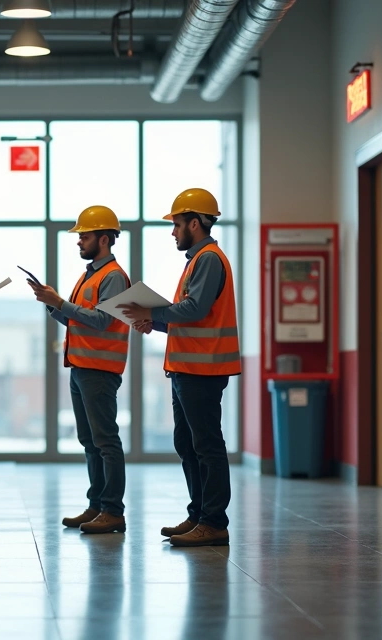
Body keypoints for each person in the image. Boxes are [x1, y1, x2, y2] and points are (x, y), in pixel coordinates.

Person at [119, 188, 240, 547]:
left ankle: (214, 521)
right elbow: (189, 315)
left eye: (176, 225)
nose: (173, 232)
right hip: (188, 367)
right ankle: (199, 514)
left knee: (206, 445)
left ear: (194, 223)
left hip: (202, 370)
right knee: (187, 442)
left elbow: (195, 310)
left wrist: (151, 313)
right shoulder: (197, 260)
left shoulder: (208, 259)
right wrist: (153, 322)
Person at [29, 206, 131, 535]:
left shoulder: (113, 276)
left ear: (104, 239)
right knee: (90, 440)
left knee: (105, 441)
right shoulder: (90, 275)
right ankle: (97, 505)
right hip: (81, 366)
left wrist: (60, 303)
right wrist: (51, 304)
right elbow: (78, 317)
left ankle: (113, 510)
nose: (79, 242)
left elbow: (102, 321)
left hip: (99, 368)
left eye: (84, 236)